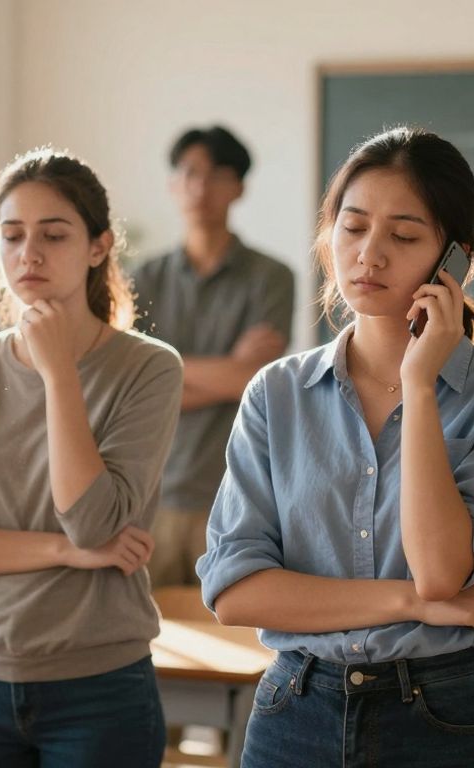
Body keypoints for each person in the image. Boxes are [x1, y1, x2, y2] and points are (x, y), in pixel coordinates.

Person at [197, 127, 474, 767]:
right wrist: (410, 603)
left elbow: (441, 573)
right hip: (295, 708)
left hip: (439, 715)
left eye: (404, 237)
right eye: (354, 227)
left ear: (455, 261)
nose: (370, 254)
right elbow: (235, 592)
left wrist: (420, 385)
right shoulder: (277, 393)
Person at [0, 147, 182, 768]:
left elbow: (94, 523)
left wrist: (58, 374)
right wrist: (61, 553)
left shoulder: (148, 368)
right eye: (13, 234)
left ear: (98, 247)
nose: (30, 254)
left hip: (98, 684)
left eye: (54, 235)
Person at [130, 125, 294, 588]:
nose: (200, 187)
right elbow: (133, 388)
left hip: (235, 492)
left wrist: (163, 374)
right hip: (150, 494)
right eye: (189, 173)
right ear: (172, 184)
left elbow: (254, 380)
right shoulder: (142, 279)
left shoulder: (271, 276)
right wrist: (230, 371)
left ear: (238, 187)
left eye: (217, 175)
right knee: (147, 625)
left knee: (232, 622)